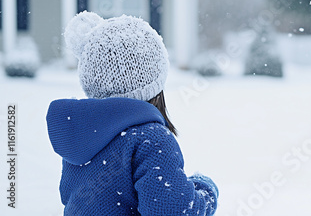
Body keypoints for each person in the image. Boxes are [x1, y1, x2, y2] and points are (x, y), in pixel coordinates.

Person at [46, 11, 218, 216]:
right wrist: (206, 191)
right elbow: (174, 211)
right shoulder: (151, 140)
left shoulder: (83, 136)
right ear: (154, 83)